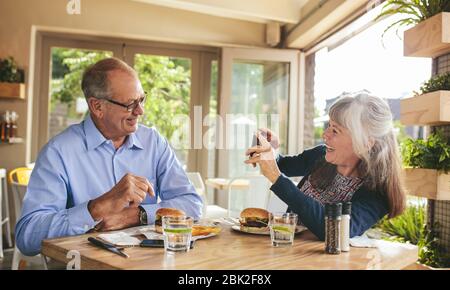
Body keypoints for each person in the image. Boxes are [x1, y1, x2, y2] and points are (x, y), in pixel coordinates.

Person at [16, 58, 202, 256]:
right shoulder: (58, 152)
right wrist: (96, 208)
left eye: (141, 99)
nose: (140, 111)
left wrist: (138, 215)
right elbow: (27, 237)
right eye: (130, 104)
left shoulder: (154, 143)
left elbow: (192, 204)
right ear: (97, 107)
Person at [245, 93, 406, 240]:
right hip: (286, 247)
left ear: (366, 143)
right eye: (329, 125)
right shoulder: (320, 156)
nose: (325, 134)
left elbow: (334, 229)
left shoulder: (377, 193)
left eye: (335, 130)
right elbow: (282, 165)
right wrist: (270, 150)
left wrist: (276, 177)